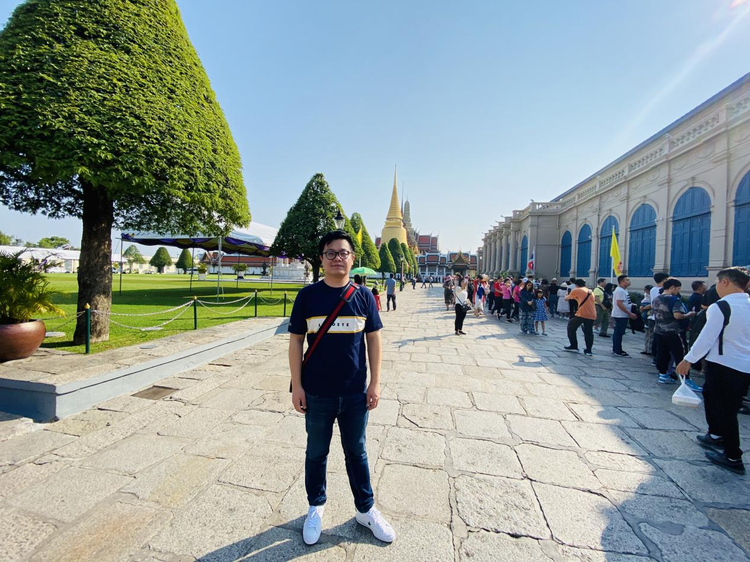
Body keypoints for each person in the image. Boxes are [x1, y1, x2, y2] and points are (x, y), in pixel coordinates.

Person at [288, 230, 394, 546]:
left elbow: (374, 340)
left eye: (343, 253)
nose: (337, 258)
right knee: (316, 453)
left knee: (357, 452)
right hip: (317, 392)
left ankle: (365, 509)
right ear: (322, 259)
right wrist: (297, 386)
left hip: (354, 393)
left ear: (352, 258)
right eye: (331, 253)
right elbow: (295, 342)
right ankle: (315, 507)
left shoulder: (363, 296)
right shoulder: (307, 296)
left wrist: (375, 383)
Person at [677, 267, 750, 474]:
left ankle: (733, 456)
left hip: (724, 364)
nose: (716, 287)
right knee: (713, 397)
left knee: (725, 409)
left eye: (717, 282)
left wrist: (688, 360)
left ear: (725, 282)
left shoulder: (721, 306)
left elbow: (706, 337)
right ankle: (716, 434)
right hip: (742, 366)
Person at [652, 278, 700, 389]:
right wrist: (689, 315)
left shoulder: (656, 299)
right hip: (674, 331)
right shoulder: (674, 300)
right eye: (678, 288)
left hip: (659, 330)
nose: (678, 291)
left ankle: (663, 375)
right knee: (681, 355)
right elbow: (677, 315)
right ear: (672, 287)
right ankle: (686, 379)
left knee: (662, 353)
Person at [564, 279, 596, 356]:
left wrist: (567, 293)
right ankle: (588, 350)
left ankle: (574, 345)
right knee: (589, 332)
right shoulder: (590, 291)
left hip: (582, 313)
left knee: (571, 327)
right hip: (592, 314)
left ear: (576, 285)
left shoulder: (577, 290)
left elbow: (566, 298)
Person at [612, 275, 637, 357]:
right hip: (620, 315)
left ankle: (617, 348)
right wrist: (629, 313)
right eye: (627, 280)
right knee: (619, 333)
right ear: (622, 281)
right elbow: (619, 303)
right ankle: (617, 350)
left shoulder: (623, 290)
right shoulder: (620, 291)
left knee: (618, 332)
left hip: (622, 314)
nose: (629, 281)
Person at [641, 285, 653, 355]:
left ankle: (649, 349)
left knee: (650, 334)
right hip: (646, 311)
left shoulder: (652, 296)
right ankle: (647, 349)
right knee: (647, 334)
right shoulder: (646, 295)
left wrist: (644, 308)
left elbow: (652, 305)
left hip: (650, 316)